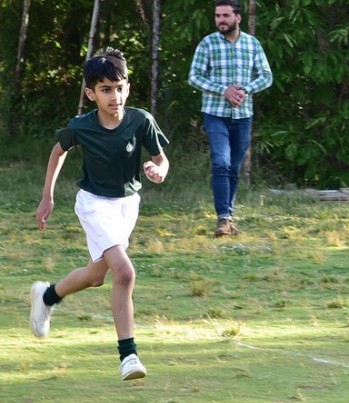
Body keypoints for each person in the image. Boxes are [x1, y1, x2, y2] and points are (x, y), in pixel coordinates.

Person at [30, 47, 170, 381]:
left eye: (119, 88)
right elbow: (58, 151)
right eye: (106, 90)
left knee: (96, 276)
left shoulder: (141, 120)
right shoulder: (82, 126)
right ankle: (128, 356)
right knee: (125, 272)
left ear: (128, 88)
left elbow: (161, 158)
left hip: (127, 205)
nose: (114, 96)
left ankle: (46, 296)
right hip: (93, 204)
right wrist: (47, 195)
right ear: (91, 93)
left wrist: (159, 170)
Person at [188, 0, 273, 237]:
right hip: (215, 114)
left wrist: (246, 90)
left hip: (243, 116)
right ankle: (223, 219)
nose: (220, 20)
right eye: (217, 16)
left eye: (225, 15)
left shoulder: (252, 44)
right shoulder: (208, 43)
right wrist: (223, 90)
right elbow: (194, 77)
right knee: (221, 163)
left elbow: (266, 76)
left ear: (238, 18)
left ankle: (229, 217)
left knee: (233, 168)